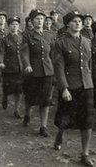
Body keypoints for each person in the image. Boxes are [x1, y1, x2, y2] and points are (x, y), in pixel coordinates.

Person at [53, 11, 94, 166]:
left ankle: (85, 153)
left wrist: (89, 81)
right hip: (70, 86)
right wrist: (64, 88)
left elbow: (88, 64)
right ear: (67, 24)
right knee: (65, 118)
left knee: (87, 121)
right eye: (75, 21)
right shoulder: (61, 43)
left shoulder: (86, 41)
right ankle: (60, 132)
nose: (78, 23)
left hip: (87, 85)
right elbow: (59, 67)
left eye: (80, 21)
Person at [21, 9, 55, 137]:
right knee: (30, 97)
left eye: (42, 19)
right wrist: (27, 65)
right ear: (32, 21)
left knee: (45, 100)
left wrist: (55, 70)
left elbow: (53, 54)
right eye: (37, 19)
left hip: (47, 72)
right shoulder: (27, 35)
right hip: (33, 72)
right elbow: (24, 53)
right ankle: (27, 114)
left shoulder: (49, 35)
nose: (40, 21)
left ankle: (43, 126)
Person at [0, 16, 23, 118]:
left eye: (16, 24)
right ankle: (5, 97)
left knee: (19, 90)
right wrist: (1, 62)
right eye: (12, 25)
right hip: (8, 69)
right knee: (8, 89)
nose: (15, 26)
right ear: (9, 26)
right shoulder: (5, 39)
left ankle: (16, 110)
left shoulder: (22, 38)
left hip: (19, 68)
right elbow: (0, 52)